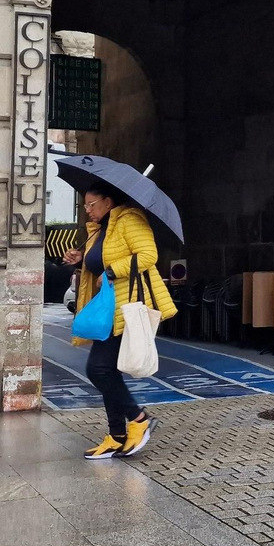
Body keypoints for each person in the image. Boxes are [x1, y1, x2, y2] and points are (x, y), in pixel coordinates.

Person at [76, 184, 177, 459]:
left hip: (127, 306)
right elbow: (98, 261)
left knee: (98, 369)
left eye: (91, 204)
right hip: (109, 309)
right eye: (84, 205)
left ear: (108, 202)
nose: (87, 210)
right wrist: (78, 261)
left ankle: (138, 418)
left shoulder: (129, 219)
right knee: (107, 370)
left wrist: (111, 270)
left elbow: (148, 256)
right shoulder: (100, 229)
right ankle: (117, 435)